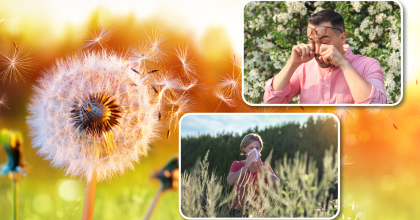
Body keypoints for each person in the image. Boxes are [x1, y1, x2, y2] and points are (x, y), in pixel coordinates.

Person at [264, 9, 387, 104]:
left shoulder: (368, 65)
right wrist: (292, 64)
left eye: (324, 42)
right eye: (312, 42)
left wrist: (344, 64)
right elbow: (271, 103)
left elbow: (376, 108)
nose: (317, 50)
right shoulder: (304, 67)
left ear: (342, 38)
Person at [226, 133, 279, 217]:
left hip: (259, 212)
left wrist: (261, 167)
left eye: (257, 148)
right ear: (244, 149)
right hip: (238, 210)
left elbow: (277, 184)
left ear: (260, 149)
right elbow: (230, 181)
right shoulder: (237, 164)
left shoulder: (265, 166)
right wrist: (246, 166)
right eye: (251, 148)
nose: (254, 151)